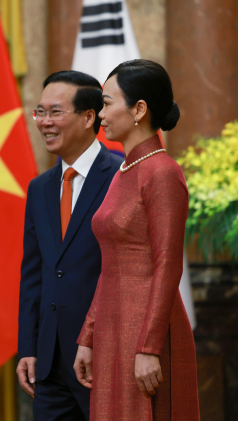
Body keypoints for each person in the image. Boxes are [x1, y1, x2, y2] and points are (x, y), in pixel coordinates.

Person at [73, 59, 199, 420]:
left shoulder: (162, 172)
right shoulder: (124, 170)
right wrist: (88, 336)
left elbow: (168, 263)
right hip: (114, 326)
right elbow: (109, 266)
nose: (100, 113)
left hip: (147, 329)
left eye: (108, 103)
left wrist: (149, 346)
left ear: (139, 110)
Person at [17, 71, 123, 420]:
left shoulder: (122, 176)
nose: (45, 122)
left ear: (89, 116)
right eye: (40, 112)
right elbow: (35, 274)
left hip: (104, 357)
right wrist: (28, 347)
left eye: (55, 112)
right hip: (48, 365)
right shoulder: (40, 188)